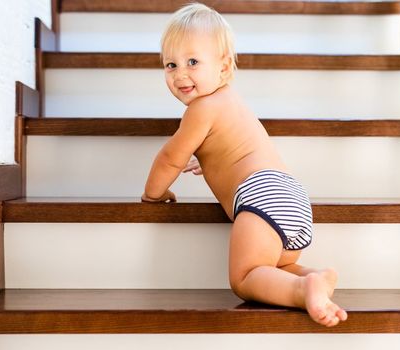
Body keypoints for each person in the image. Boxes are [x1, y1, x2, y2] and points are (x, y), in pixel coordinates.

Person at [142, 2, 348, 327]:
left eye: (192, 62)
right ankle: (314, 277)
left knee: (245, 277)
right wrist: (207, 160)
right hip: (291, 197)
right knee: (271, 268)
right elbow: (232, 150)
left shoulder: (200, 110)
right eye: (170, 64)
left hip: (261, 195)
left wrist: (154, 194)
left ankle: (301, 288)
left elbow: (170, 157)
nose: (180, 73)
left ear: (223, 68)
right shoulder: (232, 102)